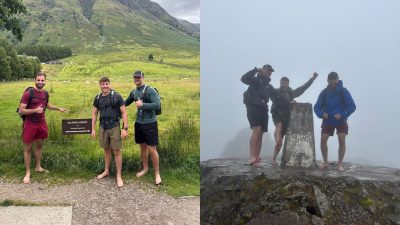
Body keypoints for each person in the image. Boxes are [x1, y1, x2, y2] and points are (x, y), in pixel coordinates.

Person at [18, 72, 67, 184]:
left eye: (42, 80)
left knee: (39, 145)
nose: (40, 82)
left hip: (41, 123)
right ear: (34, 80)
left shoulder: (45, 93)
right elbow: (21, 110)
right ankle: (27, 172)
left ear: (45, 81)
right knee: (28, 148)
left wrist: (58, 108)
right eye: (38, 80)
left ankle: (38, 167)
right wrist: (35, 110)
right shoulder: (28, 93)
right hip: (30, 124)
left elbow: (47, 105)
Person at [270, 73, 318, 165]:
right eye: (282, 83)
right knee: (279, 126)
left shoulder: (291, 93)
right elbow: (268, 87)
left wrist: (312, 79)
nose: (283, 85)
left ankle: (273, 158)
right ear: (280, 83)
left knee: (281, 140)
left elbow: (302, 88)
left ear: (288, 84)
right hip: (277, 115)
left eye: (285, 83)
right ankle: (277, 139)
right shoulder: (276, 92)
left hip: (287, 118)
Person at [314, 72, 356, 171]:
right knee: (323, 140)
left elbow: (352, 106)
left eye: (334, 79)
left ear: (337, 79)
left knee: (342, 140)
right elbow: (317, 107)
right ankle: (325, 162)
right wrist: (321, 114)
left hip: (341, 120)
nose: (333, 81)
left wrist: (343, 115)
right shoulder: (324, 92)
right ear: (328, 80)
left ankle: (340, 164)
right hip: (328, 119)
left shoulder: (343, 91)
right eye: (331, 79)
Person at [125, 71, 162, 185]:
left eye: (139, 77)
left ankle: (157, 174)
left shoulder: (150, 90)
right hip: (139, 123)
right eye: (135, 77)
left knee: (152, 149)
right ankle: (145, 169)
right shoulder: (134, 92)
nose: (137, 79)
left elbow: (157, 105)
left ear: (143, 78)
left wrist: (143, 105)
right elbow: (125, 103)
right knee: (143, 147)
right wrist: (112, 103)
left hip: (150, 123)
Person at [91, 76, 128, 188]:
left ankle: (118, 175)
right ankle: (106, 171)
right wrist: (92, 128)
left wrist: (125, 128)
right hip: (103, 127)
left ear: (109, 84)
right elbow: (94, 113)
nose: (105, 86)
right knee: (106, 150)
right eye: (103, 84)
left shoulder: (116, 96)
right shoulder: (97, 98)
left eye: (106, 83)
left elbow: (124, 112)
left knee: (117, 151)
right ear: (100, 85)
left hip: (115, 126)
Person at [241, 64, 275, 166]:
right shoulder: (255, 80)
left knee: (261, 132)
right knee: (257, 129)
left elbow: (276, 97)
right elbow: (243, 79)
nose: (269, 72)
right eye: (268, 70)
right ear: (262, 70)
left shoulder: (268, 86)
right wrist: (255, 70)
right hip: (253, 106)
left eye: (271, 71)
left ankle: (256, 157)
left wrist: (290, 100)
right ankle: (252, 157)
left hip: (264, 108)